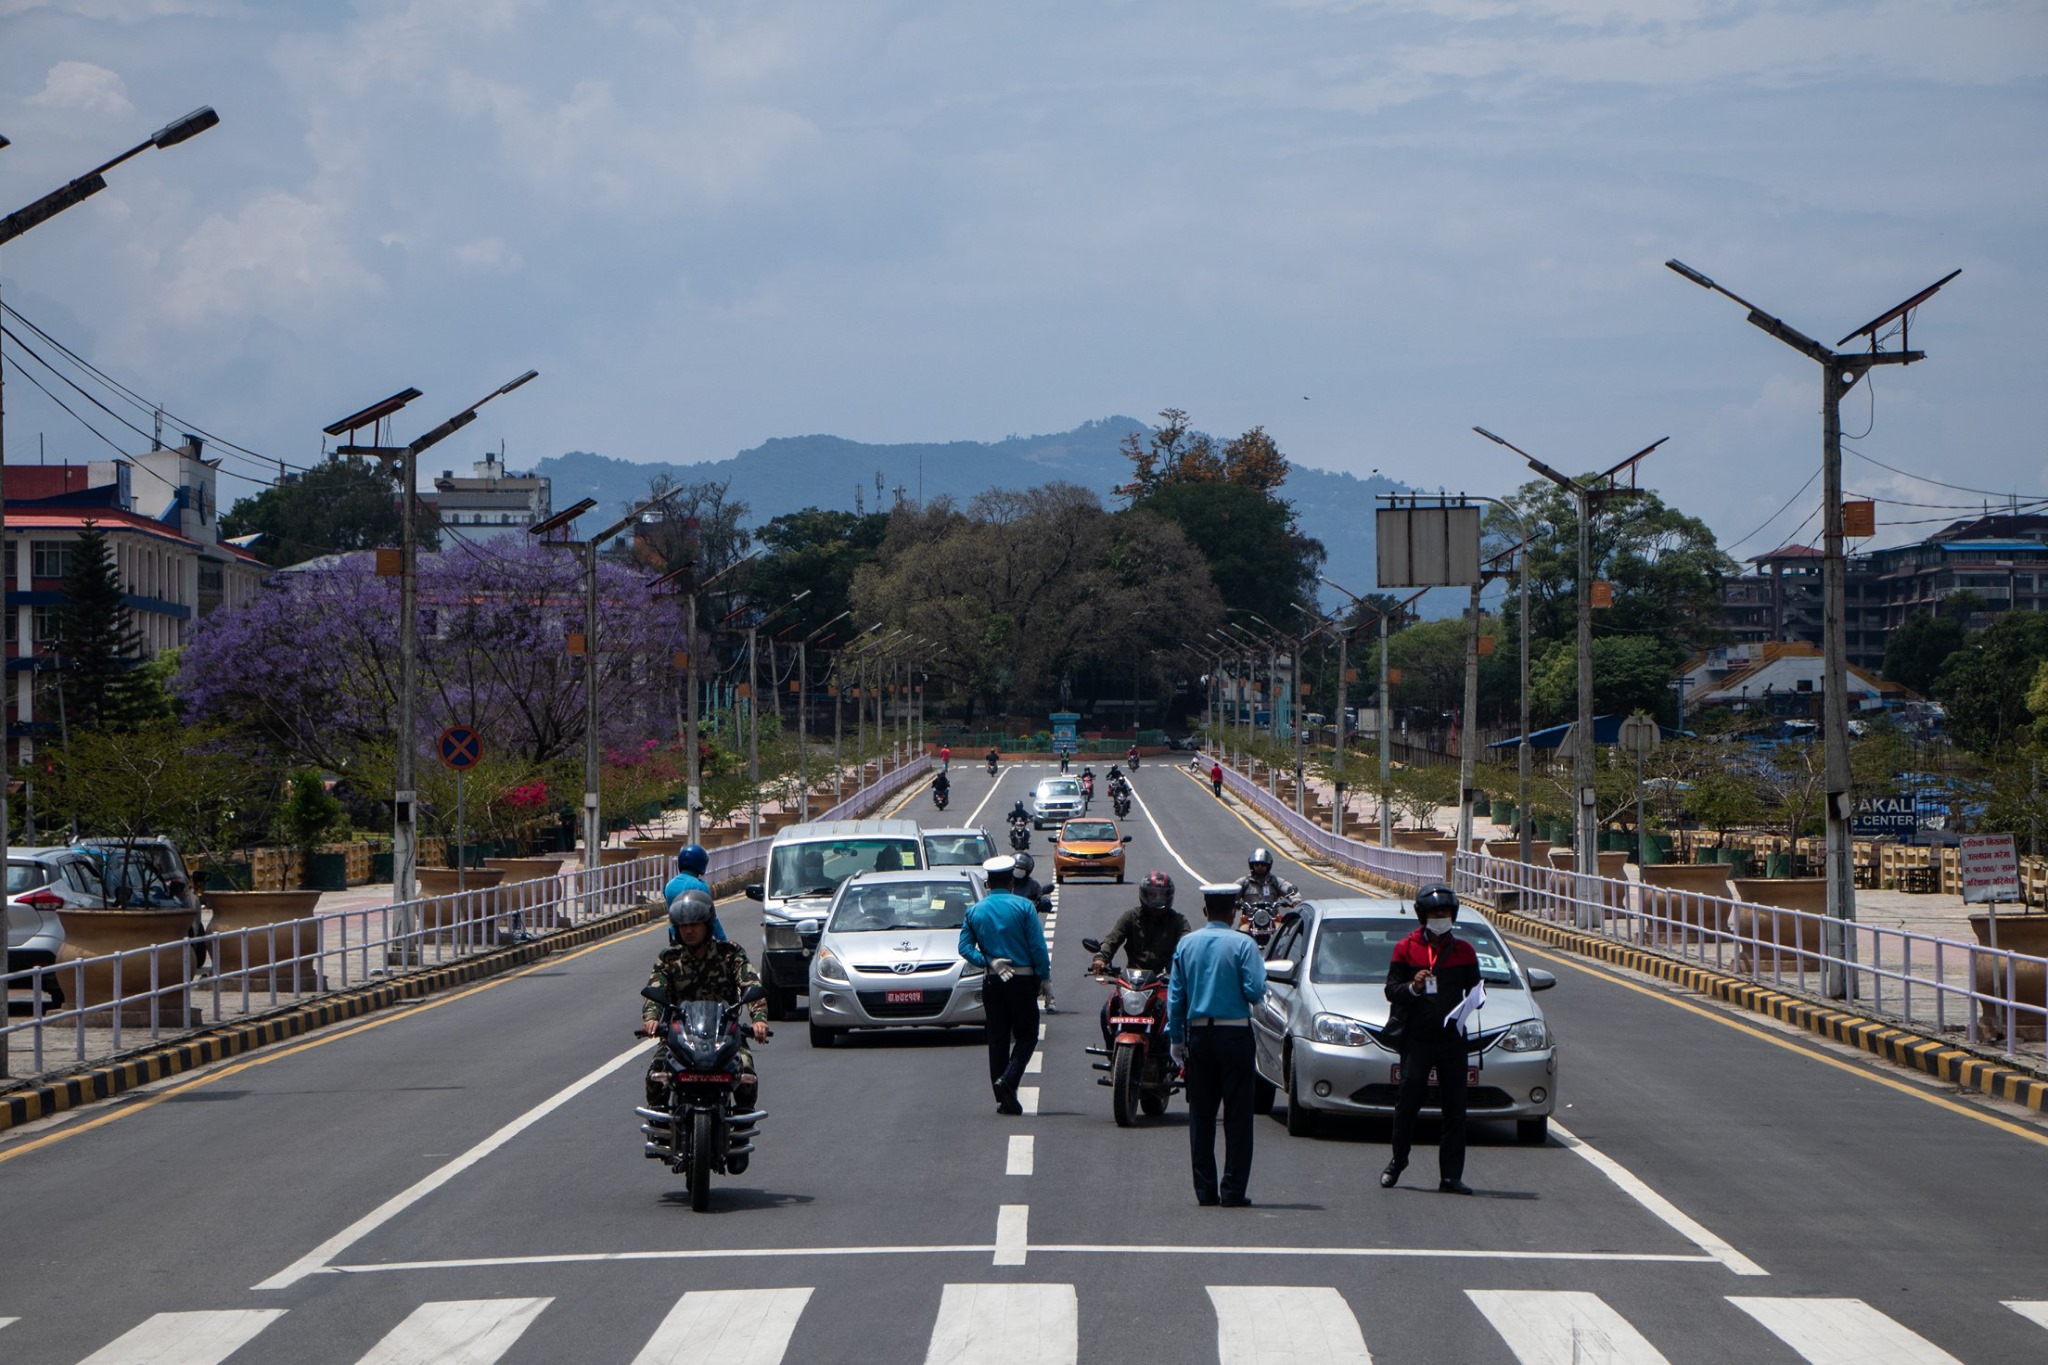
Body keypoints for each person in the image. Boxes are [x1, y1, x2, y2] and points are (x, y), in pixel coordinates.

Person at [639, 889, 770, 1150]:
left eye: (695, 924)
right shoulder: (669, 959)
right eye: (684, 926)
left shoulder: (730, 954)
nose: (689, 931)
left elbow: (749, 984)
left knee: (746, 1074)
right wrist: (652, 1019)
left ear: (707, 925)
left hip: (724, 1033)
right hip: (681, 1034)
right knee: (656, 1074)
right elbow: (656, 989)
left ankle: (741, 1130)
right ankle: (661, 1126)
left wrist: (759, 1020)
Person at [1168, 883, 1268, 1207]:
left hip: (1199, 1036)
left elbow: (1176, 997)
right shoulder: (1244, 944)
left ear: (1205, 911)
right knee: (1238, 1116)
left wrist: (1176, 1040)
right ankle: (1233, 1190)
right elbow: (1254, 991)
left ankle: (1205, 1191)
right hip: (1235, 1035)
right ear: (1234, 912)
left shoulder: (1186, 944)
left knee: (1201, 1115)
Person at [1381, 883, 1483, 1196]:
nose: (1441, 918)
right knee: (1407, 1103)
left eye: (1445, 914)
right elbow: (1391, 991)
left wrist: (1476, 1000)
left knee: (1455, 1109)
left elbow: (1475, 990)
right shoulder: (1406, 948)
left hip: (1452, 1039)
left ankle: (1451, 1176)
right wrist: (1413, 986)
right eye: (1435, 914)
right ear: (1423, 916)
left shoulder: (1464, 951)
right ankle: (1398, 1160)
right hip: (1417, 1039)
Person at [958, 856, 1052, 1115]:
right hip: (1022, 980)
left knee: (997, 1038)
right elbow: (1037, 947)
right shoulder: (1024, 907)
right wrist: (1044, 977)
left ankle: (1004, 1099)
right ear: (1011, 882)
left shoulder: (976, 910)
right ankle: (1009, 1080)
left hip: (992, 979)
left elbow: (964, 947)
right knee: (1028, 1035)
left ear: (988, 883)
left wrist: (988, 961)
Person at [1090, 870, 1190, 1046]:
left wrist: (1182, 968)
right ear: (1144, 895)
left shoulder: (1178, 921)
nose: (1157, 899)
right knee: (1106, 1010)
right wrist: (1101, 958)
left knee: (1180, 1015)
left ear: (1169, 896)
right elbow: (1113, 939)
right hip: (1132, 982)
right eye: (1152, 895)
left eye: (1161, 895)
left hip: (1163, 982)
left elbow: (1187, 945)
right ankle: (1111, 1052)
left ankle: (1176, 1055)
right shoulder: (1130, 917)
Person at [659, 844, 726, 941]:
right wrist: (723, 940)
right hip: (696, 936)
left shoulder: (668, 886)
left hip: (676, 935)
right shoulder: (700, 886)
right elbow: (712, 918)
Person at [1011, 851, 1052, 917]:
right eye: (1016, 869)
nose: (1019, 871)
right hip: (1006, 919)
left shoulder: (1032, 885)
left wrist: (1044, 901)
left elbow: (1040, 895)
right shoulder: (1004, 883)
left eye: (1022, 869)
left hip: (1027, 919)